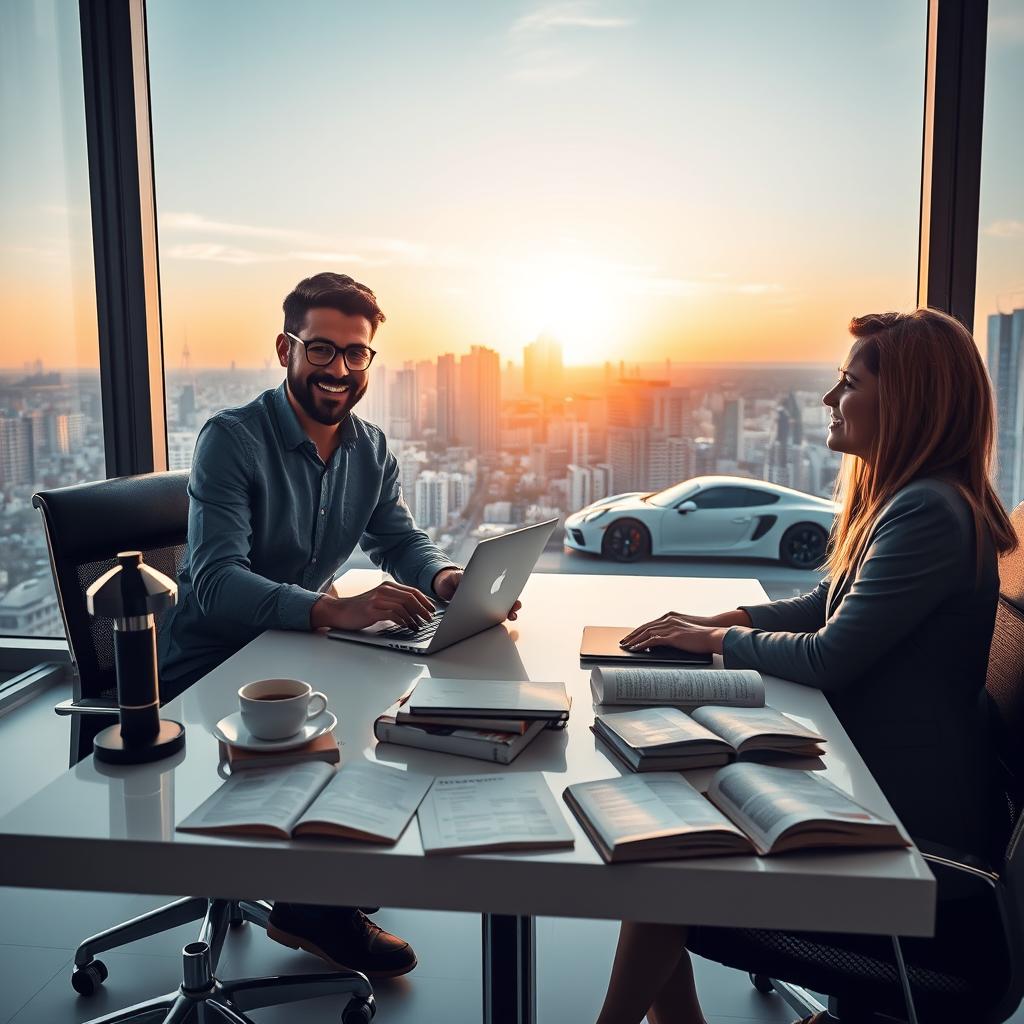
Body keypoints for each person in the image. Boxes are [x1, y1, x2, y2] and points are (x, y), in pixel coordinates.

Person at [596, 308, 1018, 1024]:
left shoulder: (929, 512)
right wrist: (731, 621)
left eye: (848, 384)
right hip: (880, 801)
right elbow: (833, 600)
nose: (830, 400)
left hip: (911, 852)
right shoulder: (918, 501)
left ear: (907, 401)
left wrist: (715, 646)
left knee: (660, 877)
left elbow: (832, 654)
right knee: (665, 853)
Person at [158, 271, 519, 980]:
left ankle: (330, 876)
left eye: (357, 355)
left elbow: (400, 541)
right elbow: (213, 580)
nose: (339, 370)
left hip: (293, 648)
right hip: (213, 659)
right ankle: (314, 907)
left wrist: (449, 580)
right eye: (321, 350)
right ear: (285, 348)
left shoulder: (370, 448)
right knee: (351, 720)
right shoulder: (231, 441)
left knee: (398, 708)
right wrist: (331, 610)